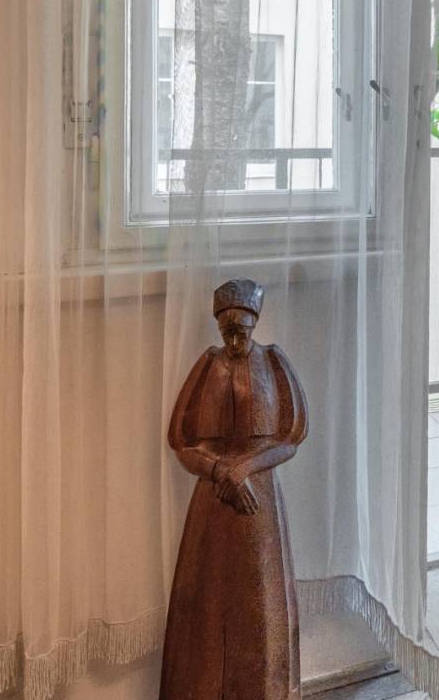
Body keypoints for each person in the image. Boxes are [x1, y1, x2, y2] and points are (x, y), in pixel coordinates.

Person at [160, 278, 308, 700]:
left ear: (254, 323)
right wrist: (220, 471)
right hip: (211, 504)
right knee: (207, 600)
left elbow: (290, 437)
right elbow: (181, 441)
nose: (234, 340)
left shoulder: (274, 363)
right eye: (227, 332)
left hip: (258, 504)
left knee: (261, 598)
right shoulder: (207, 366)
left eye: (241, 331)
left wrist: (243, 469)